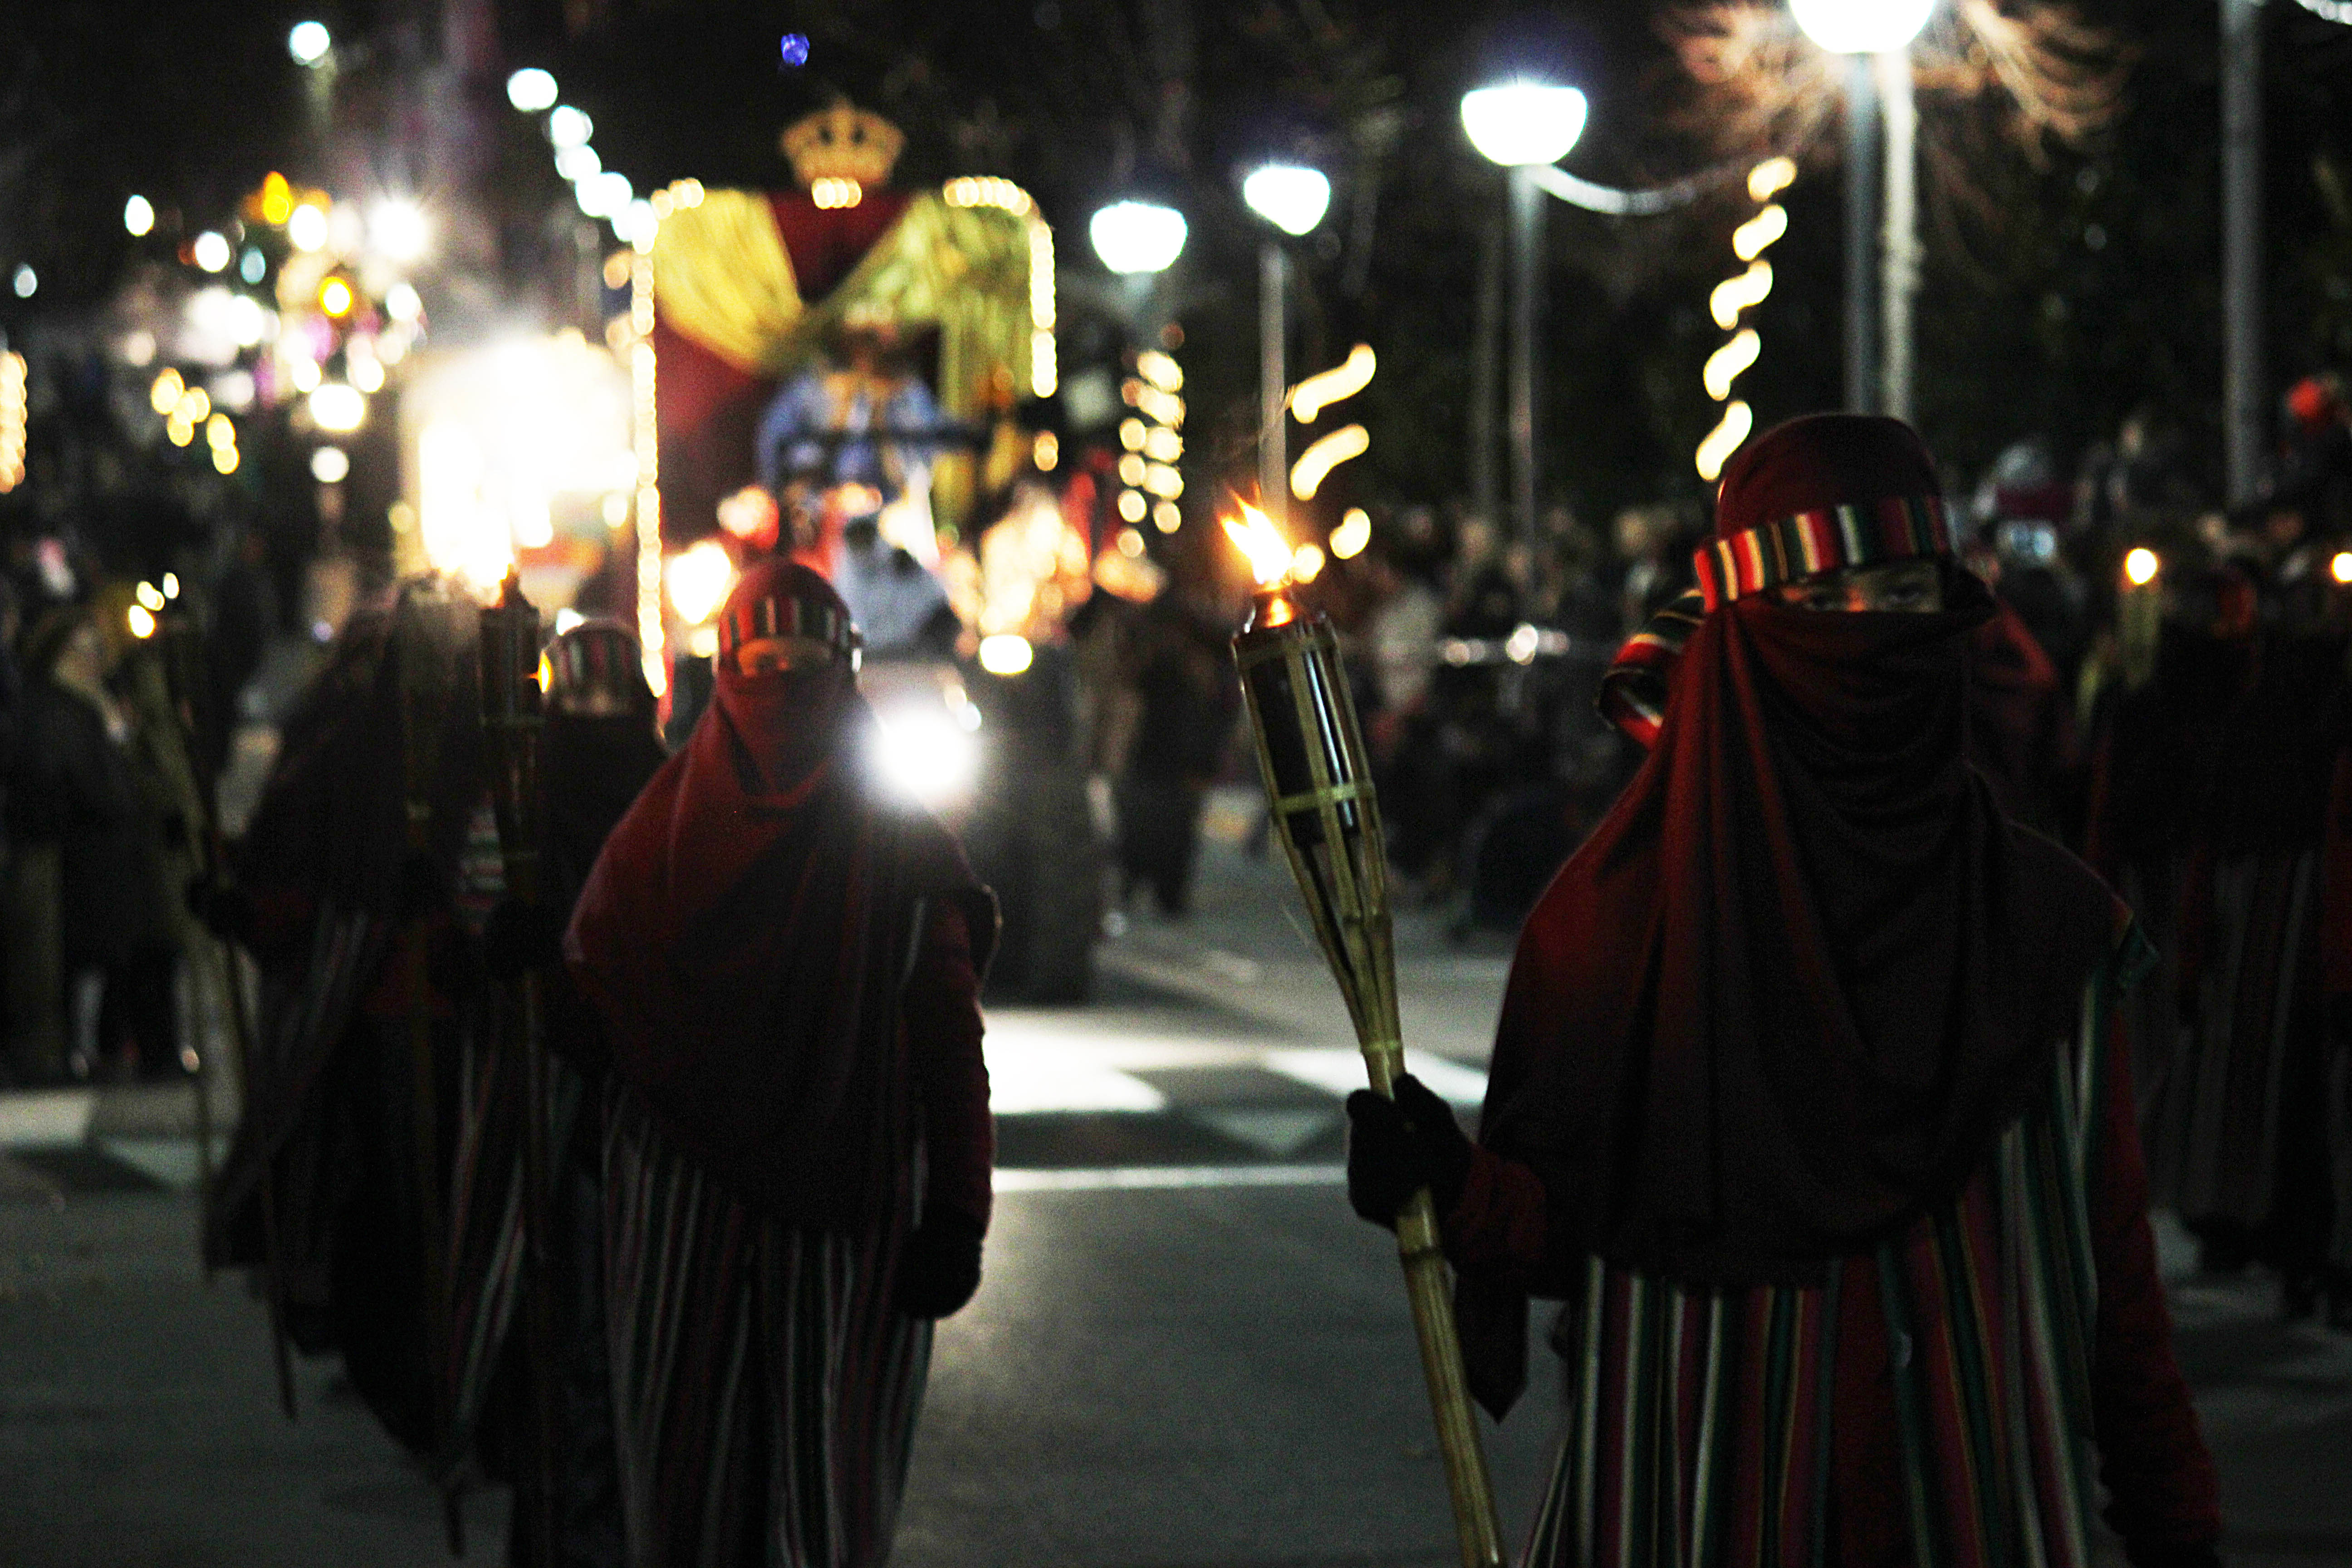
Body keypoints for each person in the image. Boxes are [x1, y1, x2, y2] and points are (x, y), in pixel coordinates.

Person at [1348, 416, 2221, 1568]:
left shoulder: (2048, 934)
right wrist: (1449, 1183)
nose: (1871, 637)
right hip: (1684, 1511)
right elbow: (1571, 1234)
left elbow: (2114, 1290)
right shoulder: (1609, 927)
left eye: (1906, 595)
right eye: (1825, 603)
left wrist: (2180, 1533)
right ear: (1745, 638)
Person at [565, 560, 995, 1567]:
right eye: (763, 669)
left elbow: (948, 1038)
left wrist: (960, 1216)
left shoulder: (898, 849)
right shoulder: (657, 840)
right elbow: (593, 994)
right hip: (685, 1215)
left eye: (807, 668)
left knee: (820, 1501)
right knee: (689, 1497)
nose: (784, 693)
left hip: (843, 1224)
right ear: (726, 675)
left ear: (844, 675)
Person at [453, 619, 671, 1567]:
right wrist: (496, 943)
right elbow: (475, 921)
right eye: (575, 702)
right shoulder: (519, 809)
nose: (593, 720)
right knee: (559, 1338)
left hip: (650, 1116)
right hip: (545, 1106)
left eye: (609, 703)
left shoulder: (675, 804)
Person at [8, 604, 180, 1081]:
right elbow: (83, 782)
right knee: (76, 969)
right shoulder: (60, 710)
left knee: (102, 966)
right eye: (86, 647)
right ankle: (71, 1055)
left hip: (100, 861)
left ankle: (97, 1051)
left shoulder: (84, 705)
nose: (96, 657)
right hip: (79, 861)